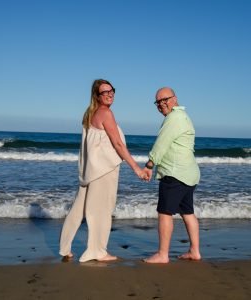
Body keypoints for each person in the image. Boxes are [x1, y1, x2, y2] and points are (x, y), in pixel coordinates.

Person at [59, 79, 148, 262]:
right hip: (103, 170)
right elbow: (117, 144)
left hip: (89, 171)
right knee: (101, 211)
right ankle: (97, 251)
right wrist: (136, 168)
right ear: (97, 96)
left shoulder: (90, 114)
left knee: (79, 209)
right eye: (104, 92)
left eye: (111, 90)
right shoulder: (106, 113)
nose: (109, 94)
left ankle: (65, 248)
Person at [143, 87, 201, 263]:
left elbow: (161, 144)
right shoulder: (184, 117)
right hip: (188, 173)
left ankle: (162, 254)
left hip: (175, 173)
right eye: (158, 102)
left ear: (174, 99)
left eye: (165, 99)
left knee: (165, 212)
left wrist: (149, 165)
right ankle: (194, 251)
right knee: (187, 212)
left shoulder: (174, 118)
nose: (161, 104)